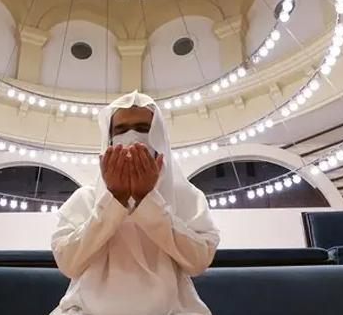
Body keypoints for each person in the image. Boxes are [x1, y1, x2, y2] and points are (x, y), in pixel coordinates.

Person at [50, 91, 220, 315]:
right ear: (109, 140)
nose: (132, 136)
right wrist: (113, 201)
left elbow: (197, 262)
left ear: (158, 136)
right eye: (120, 130)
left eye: (142, 128)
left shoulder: (186, 195)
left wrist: (148, 200)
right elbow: (69, 263)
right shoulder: (86, 198)